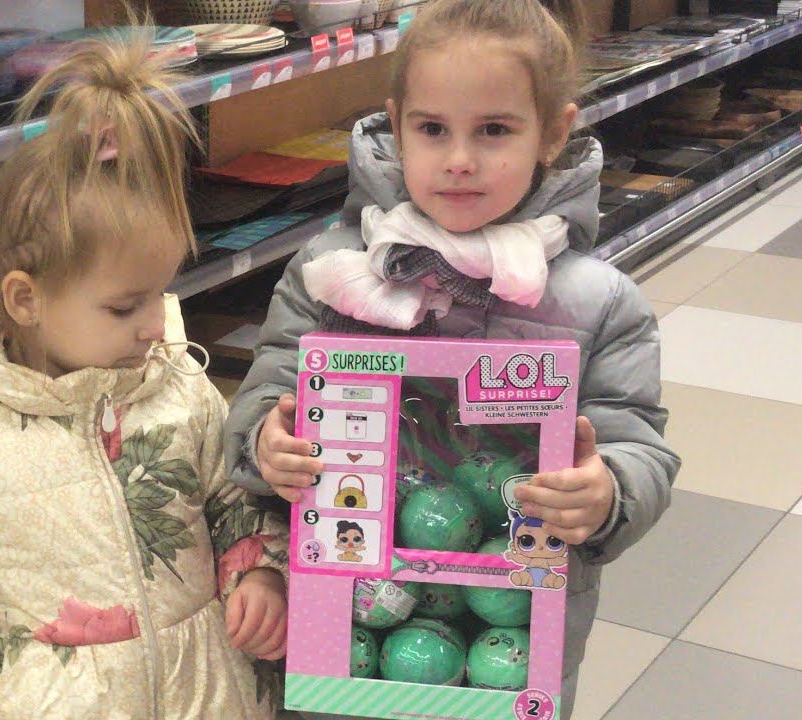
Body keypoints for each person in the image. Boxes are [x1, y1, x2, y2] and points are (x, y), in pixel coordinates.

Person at [223, 0, 680, 715]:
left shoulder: (598, 302)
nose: (460, 159)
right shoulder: (332, 271)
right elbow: (266, 391)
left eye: (494, 129)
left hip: (509, 639)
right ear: (396, 124)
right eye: (432, 129)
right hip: (344, 622)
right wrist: (264, 441)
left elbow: (638, 443)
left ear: (553, 132)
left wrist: (608, 490)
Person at [0, 34, 288, 720]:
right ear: (27, 300)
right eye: (124, 306)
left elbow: (232, 494)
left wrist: (260, 572)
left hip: (209, 695)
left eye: (160, 293)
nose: (155, 324)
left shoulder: (177, 384)